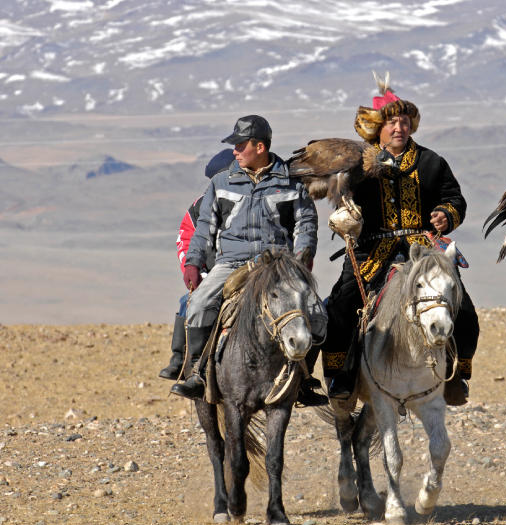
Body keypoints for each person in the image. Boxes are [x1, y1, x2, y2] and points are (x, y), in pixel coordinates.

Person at [318, 73, 480, 401]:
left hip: (423, 248)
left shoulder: (432, 162)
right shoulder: (357, 165)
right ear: (378, 127)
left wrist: (446, 214)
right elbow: (339, 198)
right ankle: (341, 375)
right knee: (339, 306)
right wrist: (345, 215)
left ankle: (456, 374)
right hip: (371, 249)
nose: (398, 128)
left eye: (404, 122)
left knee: (463, 309)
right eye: (391, 122)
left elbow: (455, 198)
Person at [170, 115, 328, 406]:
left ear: (259, 147)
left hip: (278, 264)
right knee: (199, 305)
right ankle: (198, 373)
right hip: (231, 263)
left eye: (240, 145)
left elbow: (306, 223)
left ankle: (304, 380)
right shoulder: (221, 182)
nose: (234, 151)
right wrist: (193, 262)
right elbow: (205, 227)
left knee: (318, 316)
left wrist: (303, 257)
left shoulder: (292, 183)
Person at [158, 150, 234, 381]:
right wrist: (196, 271)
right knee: (187, 302)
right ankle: (180, 360)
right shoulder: (201, 205)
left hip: (254, 268)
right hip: (212, 273)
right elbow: (186, 240)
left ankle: (300, 373)